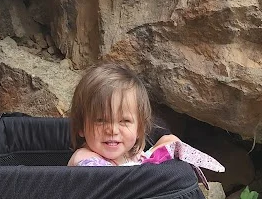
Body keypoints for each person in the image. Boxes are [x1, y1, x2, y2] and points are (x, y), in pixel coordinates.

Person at [67, 62, 224, 181]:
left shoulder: (132, 156)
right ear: (81, 126)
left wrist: (166, 146)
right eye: (101, 121)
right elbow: (113, 182)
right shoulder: (84, 159)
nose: (113, 130)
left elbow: (145, 164)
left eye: (124, 121)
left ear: (139, 129)